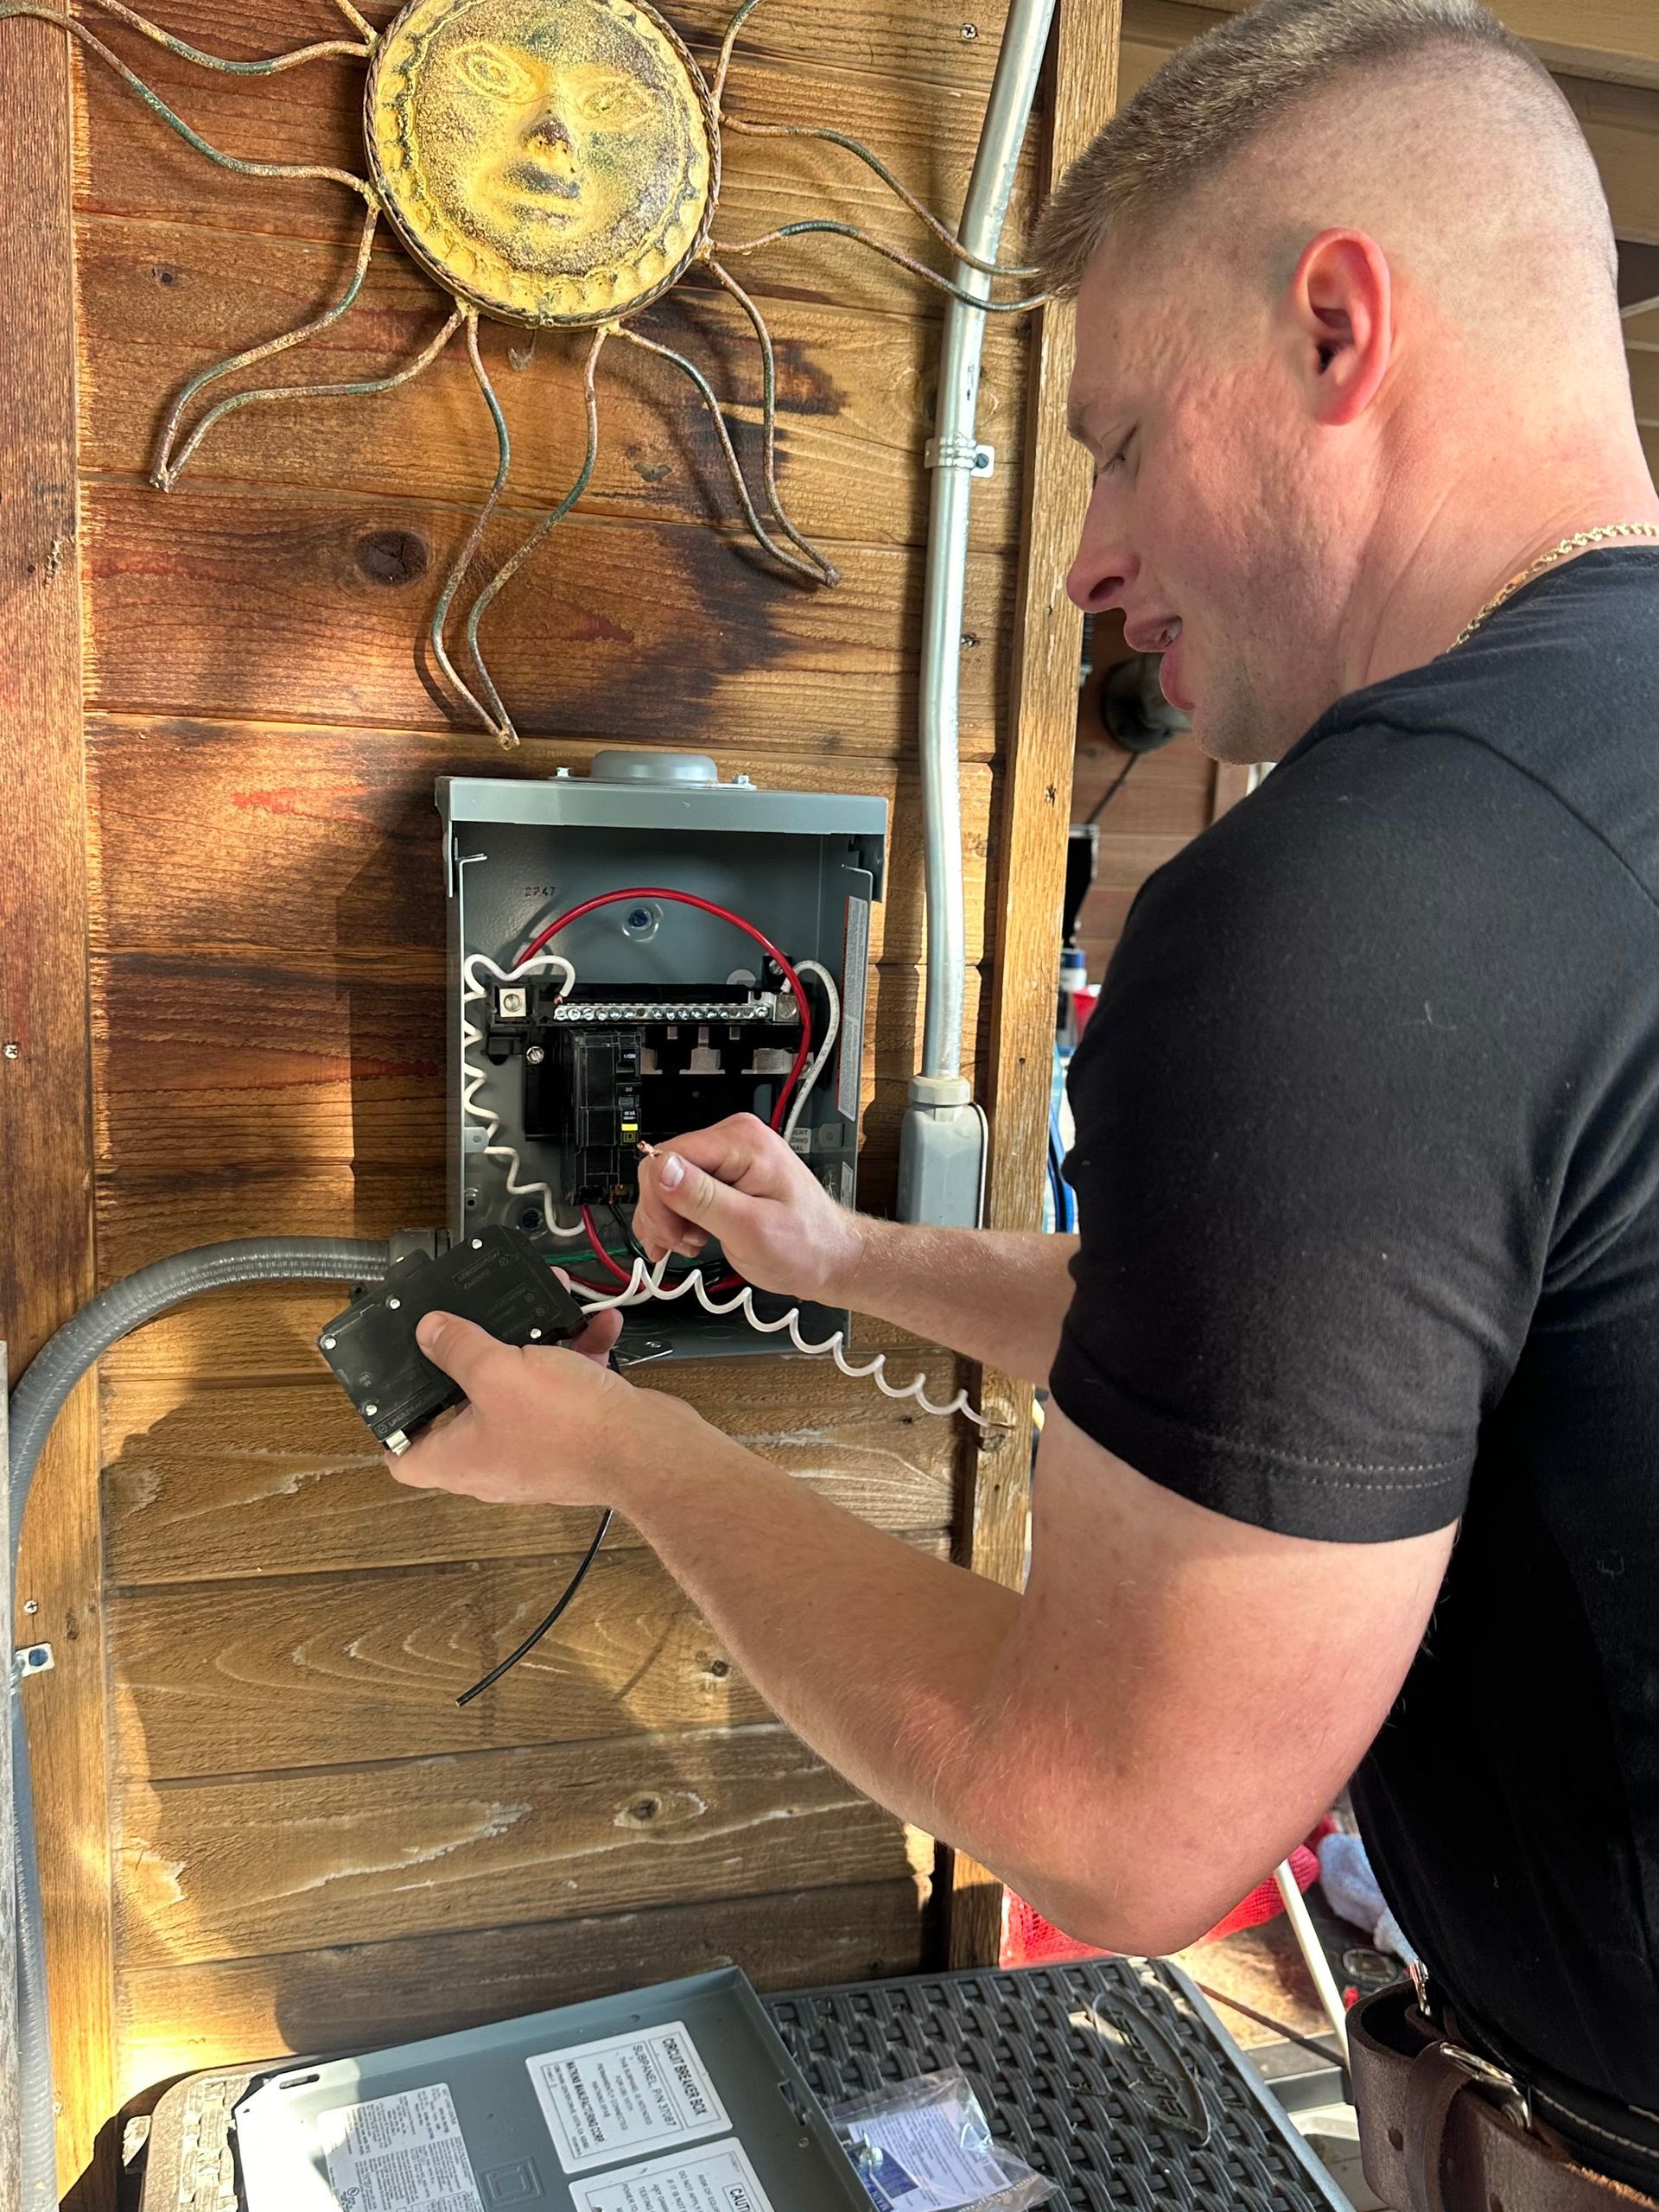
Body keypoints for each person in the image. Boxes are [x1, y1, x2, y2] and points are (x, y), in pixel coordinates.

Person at [393, 1, 1659, 2201]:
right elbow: (1331, 1373)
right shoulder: (1581, 810)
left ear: (1336, 327)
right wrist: (843, 1259)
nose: (1085, 552)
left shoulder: (1364, 886)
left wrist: (628, 1447)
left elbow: (1118, 1813)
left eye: (1124, 436)